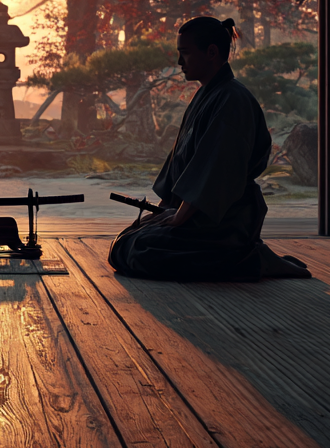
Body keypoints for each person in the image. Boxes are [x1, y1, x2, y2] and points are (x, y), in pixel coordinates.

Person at [108, 16, 310, 282]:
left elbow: (216, 167)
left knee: (142, 250)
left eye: (186, 53)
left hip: (224, 220)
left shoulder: (232, 100)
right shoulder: (209, 94)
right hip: (198, 215)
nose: (180, 63)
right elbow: (185, 161)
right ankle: (248, 256)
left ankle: (252, 259)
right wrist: (167, 209)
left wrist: (179, 217)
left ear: (212, 52)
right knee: (127, 240)